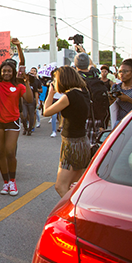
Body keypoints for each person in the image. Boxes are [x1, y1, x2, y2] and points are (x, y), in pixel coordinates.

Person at [0, 38, 34, 196]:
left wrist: (26, 81)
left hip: (12, 122)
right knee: (1, 152)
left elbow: (29, 100)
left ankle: (13, 181)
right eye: (3, 70)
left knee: (10, 153)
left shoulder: (18, 85)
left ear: (13, 72)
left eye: (9, 71)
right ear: (0, 71)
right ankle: (5, 183)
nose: (6, 73)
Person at [42, 67, 91, 197]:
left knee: (61, 186)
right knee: (73, 185)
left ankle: (73, 212)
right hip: (82, 141)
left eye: (55, 79)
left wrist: (51, 93)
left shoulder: (69, 96)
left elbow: (46, 112)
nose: (54, 82)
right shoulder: (84, 92)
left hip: (72, 144)